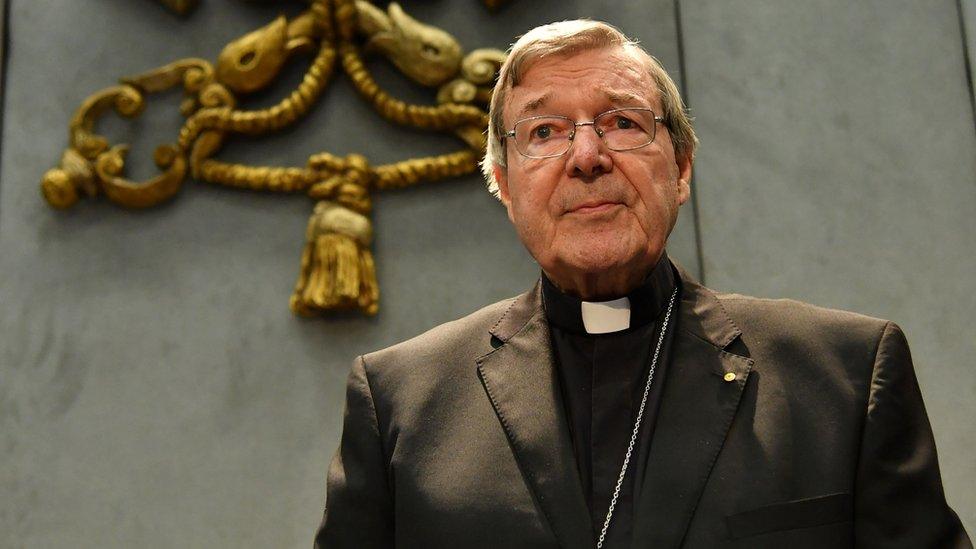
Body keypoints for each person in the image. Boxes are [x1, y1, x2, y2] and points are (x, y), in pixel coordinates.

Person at [314, 20, 972, 548]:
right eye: (544, 131)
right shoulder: (399, 402)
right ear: (506, 184)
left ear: (681, 167)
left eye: (623, 122)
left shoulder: (844, 377)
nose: (587, 156)